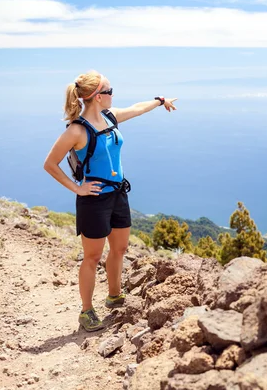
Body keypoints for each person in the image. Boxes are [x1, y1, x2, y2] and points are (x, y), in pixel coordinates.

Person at [44, 70, 177, 331]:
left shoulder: (109, 116)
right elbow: (50, 164)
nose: (113, 95)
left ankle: (114, 297)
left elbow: (137, 109)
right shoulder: (77, 130)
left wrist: (160, 101)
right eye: (109, 91)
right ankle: (86, 311)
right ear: (96, 96)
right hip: (93, 200)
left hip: (118, 195)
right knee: (92, 257)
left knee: (120, 249)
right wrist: (77, 189)